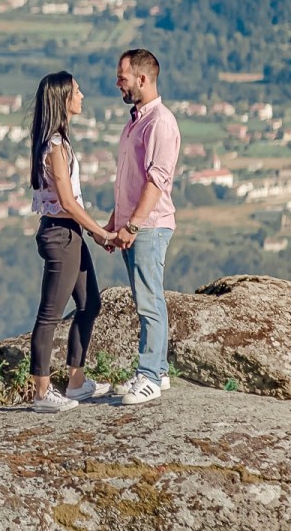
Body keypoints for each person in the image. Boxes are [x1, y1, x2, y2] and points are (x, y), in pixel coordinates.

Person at [26, 71, 117, 413]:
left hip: (69, 234)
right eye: (78, 91)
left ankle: (76, 382)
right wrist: (100, 232)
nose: (83, 96)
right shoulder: (54, 146)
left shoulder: (57, 143)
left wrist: (91, 231)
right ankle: (41, 393)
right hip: (61, 235)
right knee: (49, 315)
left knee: (90, 303)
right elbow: (67, 201)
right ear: (63, 99)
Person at [106, 48, 181, 407]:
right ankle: (159, 371)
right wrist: (115, 222)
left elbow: (156, 182)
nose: (117, 83)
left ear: (142, 78)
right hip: (136, 225)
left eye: (122, 77)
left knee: (149, 301)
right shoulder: (137, 120)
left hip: (149, 226)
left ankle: (149, 375)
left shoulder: (160, 123)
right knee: (144, 298)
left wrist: (132, 226)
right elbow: (130, 179)